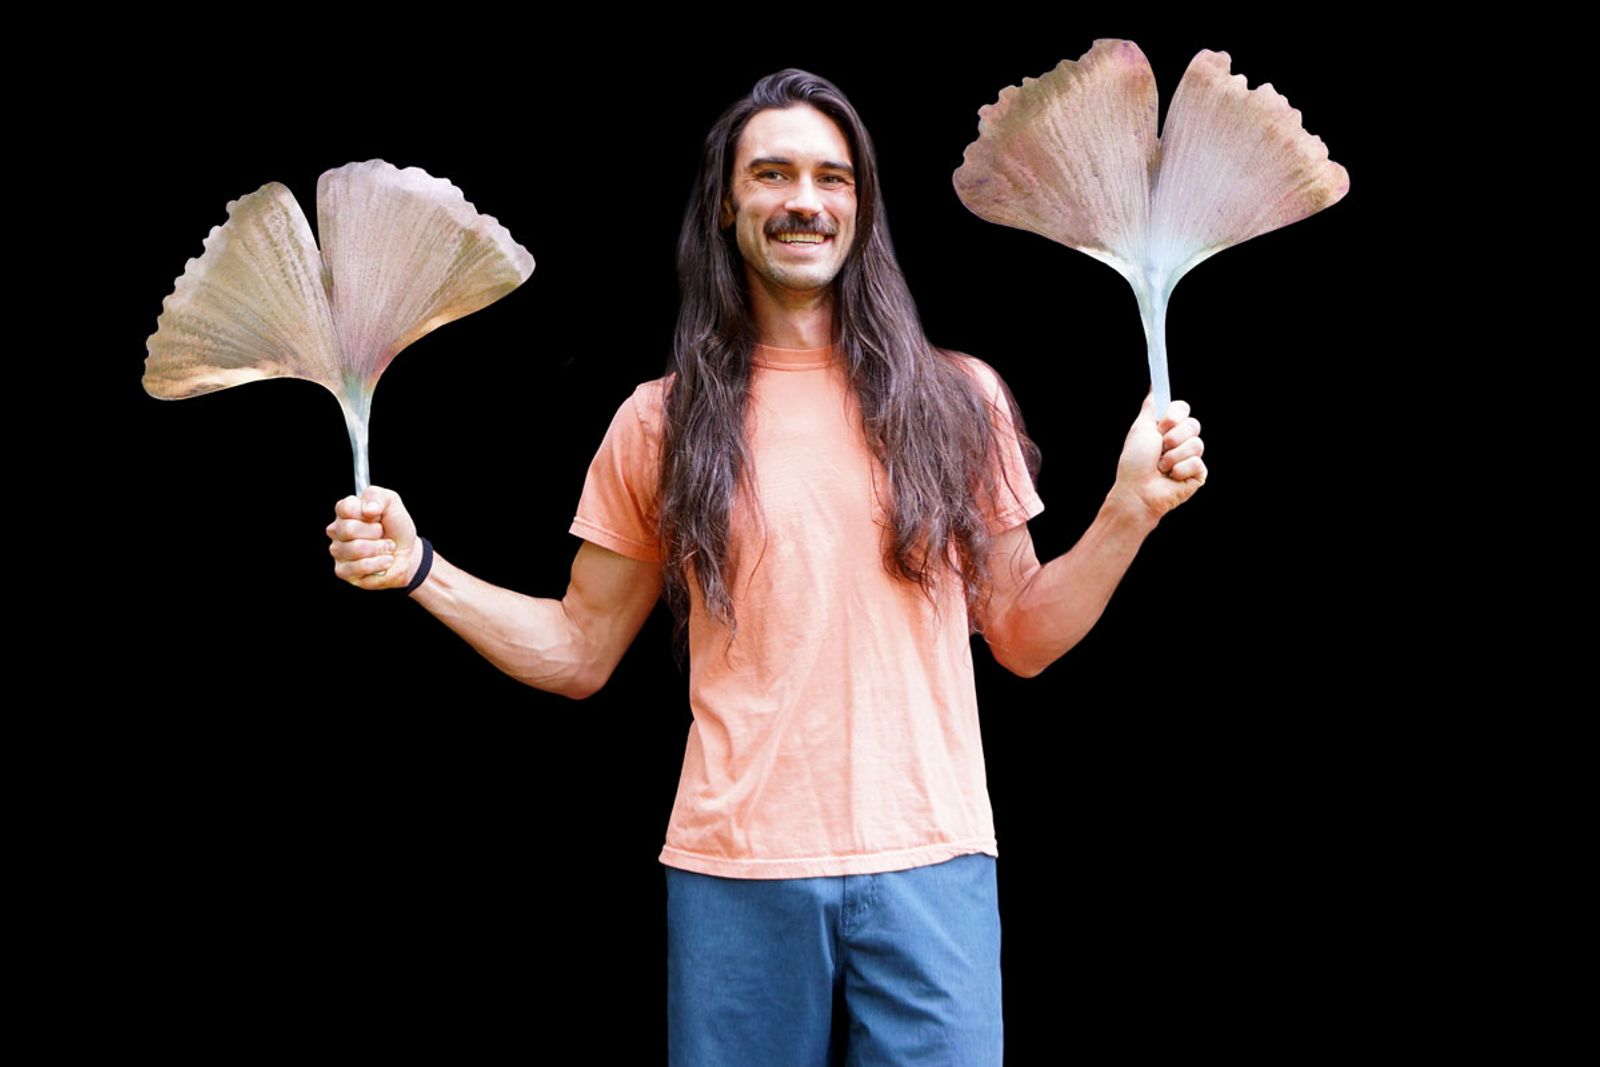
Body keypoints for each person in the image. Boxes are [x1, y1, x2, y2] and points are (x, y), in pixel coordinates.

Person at [325, 69, 1204, 1066]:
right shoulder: (658, 422)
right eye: (773, 173)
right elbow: (575, 650)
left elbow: (1025, 634)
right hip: (735, 873)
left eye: (832, 177)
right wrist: (419, 568)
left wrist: (1130, 510)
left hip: (933, 865)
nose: (803, 200)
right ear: (728, 204)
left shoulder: (962, 398)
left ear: (861, 207)